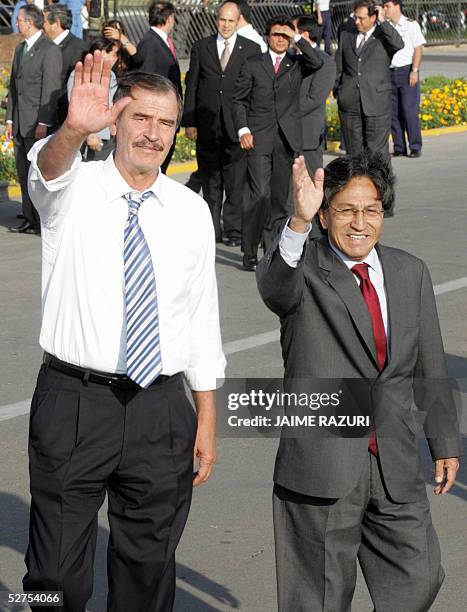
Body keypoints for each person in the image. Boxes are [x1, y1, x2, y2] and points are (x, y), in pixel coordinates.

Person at [23, 55, 225, 611]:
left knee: (148, 572)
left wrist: (205, 415)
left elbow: (201, 317)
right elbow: (47, 171)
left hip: (160, 409)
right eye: (140, 118)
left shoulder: (190, 211)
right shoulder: (74, 190)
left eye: (165, 123)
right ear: (115, 121)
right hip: (75, 403)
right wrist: (70, 129)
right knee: (52, 580)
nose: (152, 134)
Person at [256, 150, 461, 612]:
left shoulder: (409, 272)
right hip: (322, 462)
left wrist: (444, 440)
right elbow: (274, 287)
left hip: (394, 459)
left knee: (419, 579)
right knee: (319, 600)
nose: (359, 223)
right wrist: (297, 222)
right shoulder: (304, 269)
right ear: (326, 215)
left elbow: (429, 363)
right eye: (346, 210)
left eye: (371, 210)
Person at [232, 14, 323, 271]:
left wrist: (296, 38)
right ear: (267, 36)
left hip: (287, 140)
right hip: (258, 139)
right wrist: (243, 129)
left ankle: (271, 250)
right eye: (276, 35)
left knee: (280, 201)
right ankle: (249, 250)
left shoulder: (297, 63)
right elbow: (238, 100)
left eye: (285, 36)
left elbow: (317, 61)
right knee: (259, 194)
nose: (281, 40)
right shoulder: (253, 64)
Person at [182, 2, 260, 245]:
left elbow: (255, 91)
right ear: (217, 20)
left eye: (231, 21)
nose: (226, 25)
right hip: (206, 124)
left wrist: (250, 125)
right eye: (222, 20)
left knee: (235, 182)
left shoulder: (251, 49)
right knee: (210, 182)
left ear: (239, 21)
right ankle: (212, 230)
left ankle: (233, 231)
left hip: (237, 126)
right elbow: (192, 85)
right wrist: (190, 121)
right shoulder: (201, 47)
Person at [5, 3, 62, 235]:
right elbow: (13, 88)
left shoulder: (49, 50)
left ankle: (43, 220)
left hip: (37, 125)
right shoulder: (20, 49)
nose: (16, 23)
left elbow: (51, 88)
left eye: (18, 20)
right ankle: (29, 217)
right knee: (23, 173)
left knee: (38, 175)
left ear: (30, 22)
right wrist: (9, 120)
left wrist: (43, 122)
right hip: (19, 123)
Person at [334, 0, 403, 163]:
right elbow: (339, 66)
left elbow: (399, 44)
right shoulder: (347, 35)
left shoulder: (383, 36)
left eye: (361, 18)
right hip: (350, 104)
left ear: (373, 17)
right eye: (355, 17)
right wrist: (339, 91)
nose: (356, 21)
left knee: (377, 155)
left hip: (376, 103)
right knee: (353, 155)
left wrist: (384, 21)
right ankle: (357, 188)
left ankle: (380, 188)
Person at [131, 1, 182, 172]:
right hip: (157, 117)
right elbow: (147, 82)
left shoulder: (158, 41)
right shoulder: (151, 43)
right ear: (169, 19)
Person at [384, 0, 426, 158]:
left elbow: (418, 49)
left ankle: (415, 146)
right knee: (393, 112)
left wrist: (415, 70)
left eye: (388, 6)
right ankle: (399, 146)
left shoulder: (410, 25)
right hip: (389, 72)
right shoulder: (385, 27)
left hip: (407, 71)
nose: (385, 9)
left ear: (397, 6)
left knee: (409, 110)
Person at [295, 15, 336, 175]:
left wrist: (287, 112)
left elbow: (314, 98)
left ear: (303, 35)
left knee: (312, 181)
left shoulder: (325, 62)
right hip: (288, 132)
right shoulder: (291, 57)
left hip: (308, 132)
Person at [67, 38, 119, 161]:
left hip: (108, 136)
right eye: (112, 54)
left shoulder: (111, 75)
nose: (115, 59)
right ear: (100, 53)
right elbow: (76, 108)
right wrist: (89, 133)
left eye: (116, 55)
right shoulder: (79, 75)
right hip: (89, 137)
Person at [43, 3, 88, 127]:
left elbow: (74, 85)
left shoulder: (78, 48)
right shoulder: (43, 46)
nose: (40, 26)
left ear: (56, 24)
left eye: (43, 22)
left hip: (62, 118)